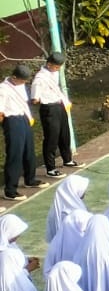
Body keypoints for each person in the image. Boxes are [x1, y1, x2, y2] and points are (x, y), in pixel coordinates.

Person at [30, 52, 75, 179]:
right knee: (51, 138)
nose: (58, 69)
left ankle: (67, 159)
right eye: (56, 66)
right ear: (49, 64)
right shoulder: (39, 79)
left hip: (59, 105)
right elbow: (35, 99)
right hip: (49, 108)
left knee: (64, 134)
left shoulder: (54, 73)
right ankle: (50, 168)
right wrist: (44, 96)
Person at [1, 65, 40, 199]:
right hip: (12, 120)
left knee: (29, 150)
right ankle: (10, 190)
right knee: (15, 154)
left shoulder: (20, 85)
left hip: (23, 117)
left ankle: (30, 179)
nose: (23, 83)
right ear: (14, 77)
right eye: (22, 80)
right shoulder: (3, 89)